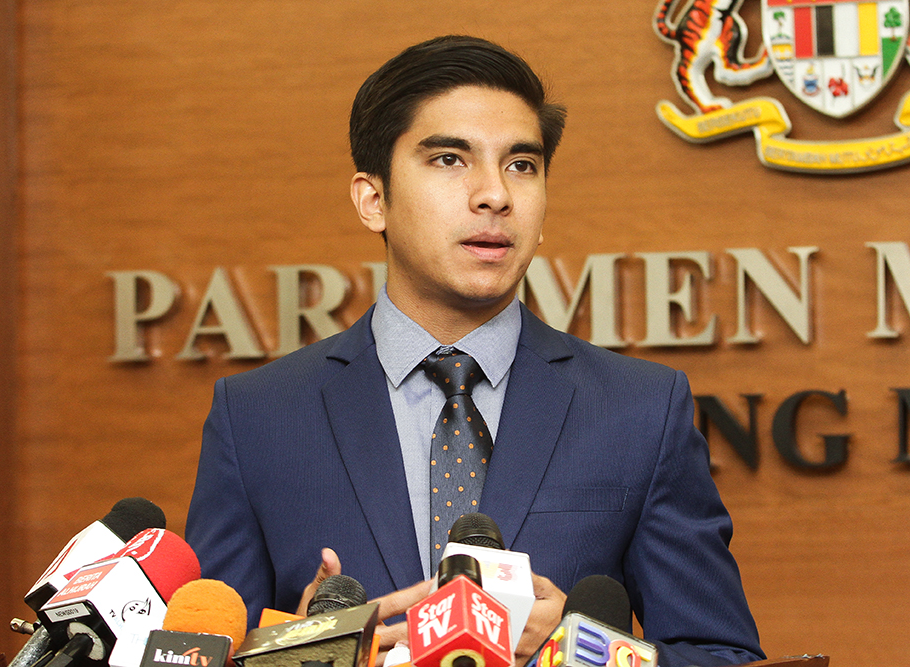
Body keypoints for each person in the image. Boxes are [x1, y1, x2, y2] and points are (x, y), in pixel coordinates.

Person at [185, 35, 765, 667]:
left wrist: (579, 655)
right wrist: (298, 652)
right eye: (449, 161)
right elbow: (199, 648)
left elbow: (722, 653)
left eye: (522, 165)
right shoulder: (257, 417)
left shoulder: (641, 412)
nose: (496, 195)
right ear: (372, 199)